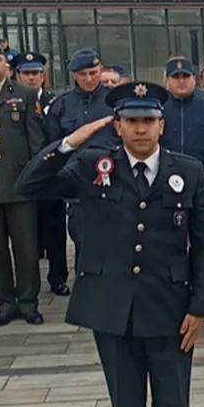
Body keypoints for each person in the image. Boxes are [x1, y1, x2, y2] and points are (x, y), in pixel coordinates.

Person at [16, 81, 204, 407]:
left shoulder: (188, 171)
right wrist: (70, 142)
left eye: (148, 120)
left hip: (170, 309)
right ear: (118, 126)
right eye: (131, 121)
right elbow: (29, 184)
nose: (140, 129)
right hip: (113, 309)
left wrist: (201, 306)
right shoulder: (93, 166)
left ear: (161, 126)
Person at [0, 39, 45, 326]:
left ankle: (28, 302)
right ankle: (4, 302)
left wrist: (34, 178)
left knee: (26, 247)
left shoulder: (25, 95)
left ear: (6, 64)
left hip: (19, 184)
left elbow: (36, 140)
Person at [44, 48, 118, 275]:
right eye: (83, 74)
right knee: (83, 241)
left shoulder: (115, 100)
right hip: (78, 186)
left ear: (101, 69)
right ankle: (85, 287)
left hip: (115, 182)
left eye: (94, 72)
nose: (89, 78)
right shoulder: (61, 105)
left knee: (117, 241)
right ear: (73, 75)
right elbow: (54, 146)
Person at [161, 56, 204, 279]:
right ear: (167, 81)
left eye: (186, 76)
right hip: (166, 185)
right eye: (176, 77)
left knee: (203, 237)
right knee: (169, 238)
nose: (181, 81)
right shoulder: (159, 109)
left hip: (203, 185)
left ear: (195, 80)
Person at [13, 51, 67, 296]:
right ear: (17, 75)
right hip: (23, 176)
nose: (31, 78)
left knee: (55, 232)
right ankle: (27, 283)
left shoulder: (54, 103)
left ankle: (58, 278)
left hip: (51, 175)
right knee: (26, 235)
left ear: (43, 76)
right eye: (26, 73)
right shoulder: (12, 103)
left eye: (35, 73)